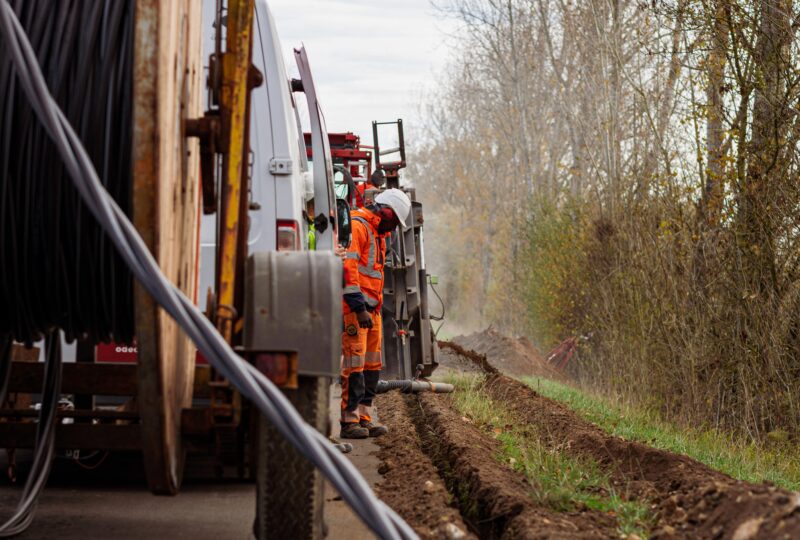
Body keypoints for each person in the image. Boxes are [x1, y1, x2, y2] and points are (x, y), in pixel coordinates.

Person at [339, 188, 411, 439]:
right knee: (355, 367)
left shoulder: (378, 232)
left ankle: (364, 418)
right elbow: (348, 270)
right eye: (393, 222)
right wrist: (359, 308)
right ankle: (349, 422)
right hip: (356, 311)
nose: (392, 228)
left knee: (372, 367)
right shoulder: (359, 226)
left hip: (372, 310)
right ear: (387, 211)